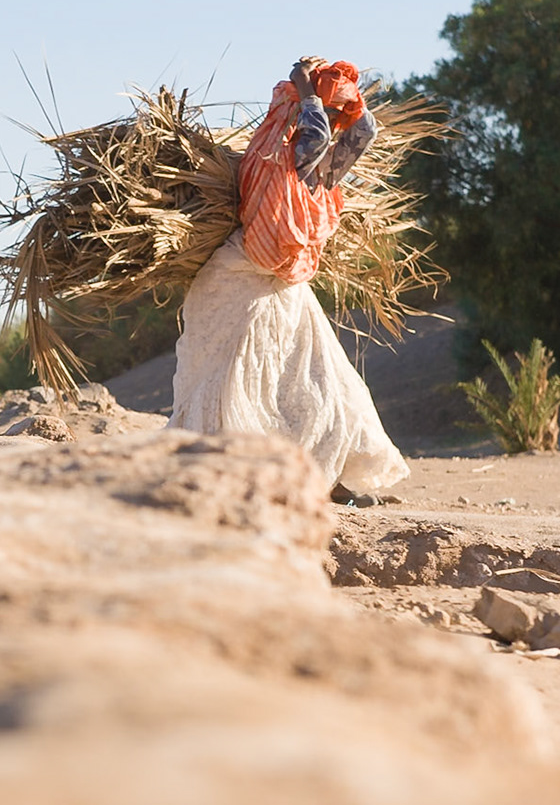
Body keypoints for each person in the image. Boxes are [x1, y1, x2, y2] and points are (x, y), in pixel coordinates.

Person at [169, 56, 408, 501]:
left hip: (284, 286)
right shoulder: (272, 158)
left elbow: (362, 131)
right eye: (329, 112)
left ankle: (323, 478)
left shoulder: (323, 171)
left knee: (317, 383)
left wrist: (329, 99)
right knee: (231, 384)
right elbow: (313, 140)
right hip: (238, 282)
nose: (335, 122)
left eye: (340, 114)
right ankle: (233, 476)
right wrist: (308, 91)